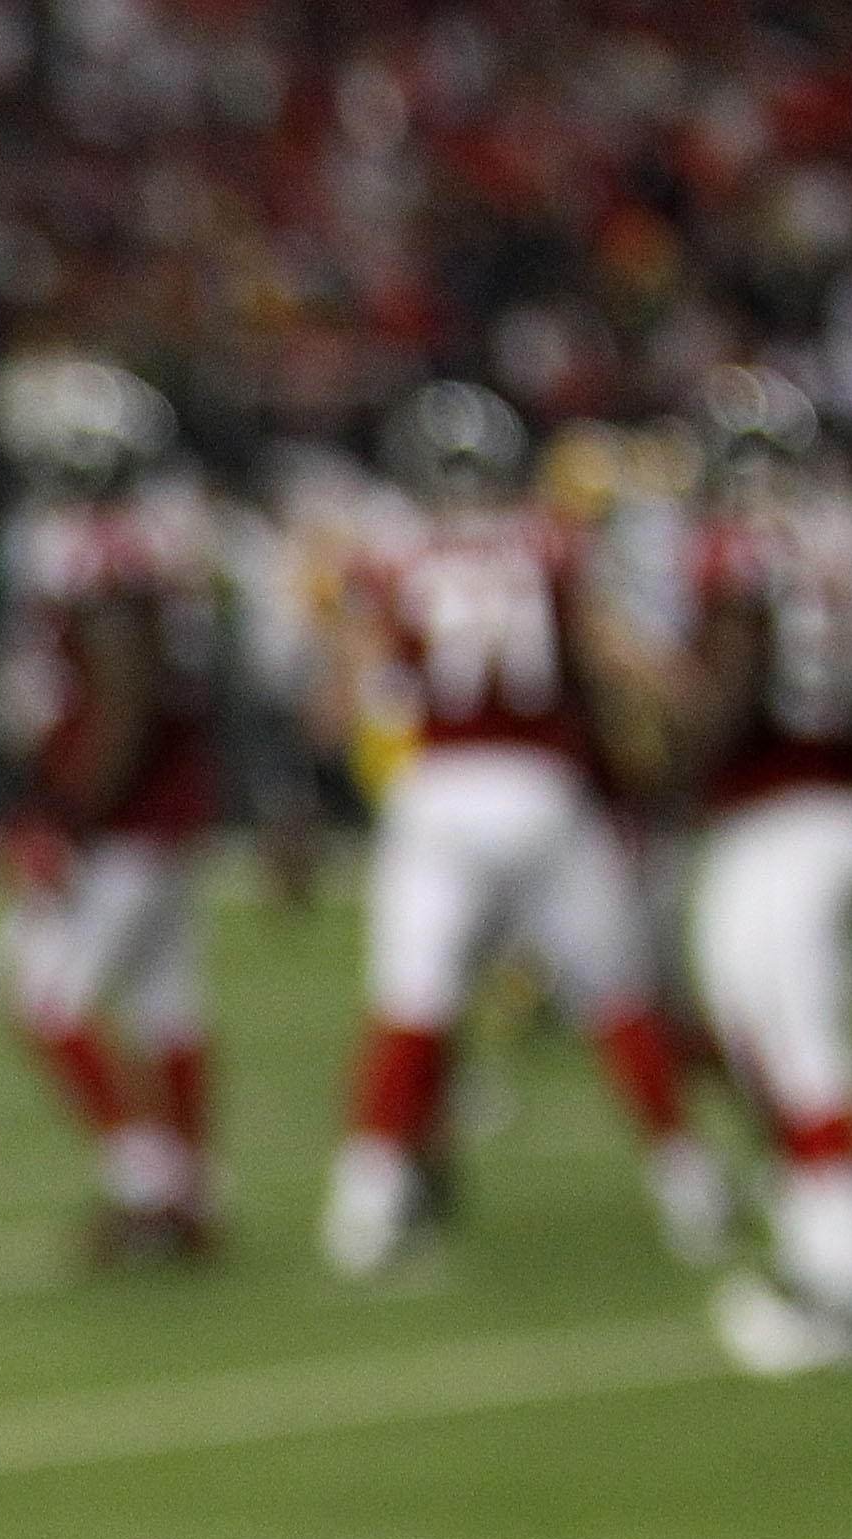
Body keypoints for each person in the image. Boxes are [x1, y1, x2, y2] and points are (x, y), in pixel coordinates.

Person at [314, 381, 728, 1277]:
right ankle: (690, 1187)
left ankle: (365, 1209)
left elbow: (346, 692)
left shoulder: (390, 554)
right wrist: (690, 699)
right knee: (616, 999)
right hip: (545, 791)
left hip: (440, 790)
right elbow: (615, 656)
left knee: (411, 1003)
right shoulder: (551, 542)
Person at [0, 358, 225, 1263]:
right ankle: (192, 1191)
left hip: (120, 816)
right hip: (168, 807)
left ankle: (151, 1186)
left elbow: (121, 695)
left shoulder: (95, 553)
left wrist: (60, 812)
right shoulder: (167, 540)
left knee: (42, 994)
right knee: (168, 1001)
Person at [677, 368, 852, 1372]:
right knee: (769, 1036)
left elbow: (734, 686)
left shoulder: (738, 551)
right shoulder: (834, 536)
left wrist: (675, 745)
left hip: (772, 823)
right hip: (832, 806)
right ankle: (808, 1241)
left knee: (785, 1040)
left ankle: (830, 1274)